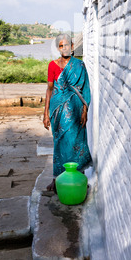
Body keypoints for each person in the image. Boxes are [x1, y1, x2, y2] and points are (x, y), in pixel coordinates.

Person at [43, 34, 92, 192]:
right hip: (57, 112)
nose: (65, 48)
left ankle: (79, 177)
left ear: (72, 46)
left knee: (76, 143)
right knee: (60, 144)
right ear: (59, 48)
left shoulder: (79, 65)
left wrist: (85, 110)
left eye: (68, 45)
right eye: (62, 46)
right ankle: (57, 178)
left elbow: (85, 89)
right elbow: (49, 90)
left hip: (76, 111)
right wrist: (45, 114)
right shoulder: (52, 66)